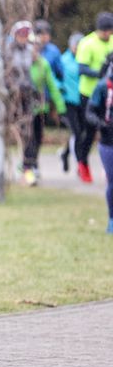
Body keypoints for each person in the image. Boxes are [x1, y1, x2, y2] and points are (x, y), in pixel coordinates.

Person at [5, 20, 65, 186]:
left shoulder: (41, 63)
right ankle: (26, 168)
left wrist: (60, 108)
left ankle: (29, 165)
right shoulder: (11, 56)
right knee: (27, 135)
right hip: (18, 103)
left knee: (37, 136)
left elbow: (52, 84)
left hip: (36, 104)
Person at [75, 12, 113, 183]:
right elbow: (81, 69)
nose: (108, 34)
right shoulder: (87, 43)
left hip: (109, 93)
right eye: (105, 31)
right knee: (89, 131)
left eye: (110, 31)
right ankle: (83, 163)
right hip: (89, 94)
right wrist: (99, 74)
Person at [85, 54, 113, 234]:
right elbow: (90, 111)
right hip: (108, 142)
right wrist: (101, 124)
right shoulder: (103, 87)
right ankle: (112, 219)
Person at [59, 32, 85, 173]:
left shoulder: (84, 60)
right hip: (68, 101)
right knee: (77, 133)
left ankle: (65, 154)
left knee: (81, 133)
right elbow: (55, 77)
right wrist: (59, 87)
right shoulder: (63, 60)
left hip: (82, 100)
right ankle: (80, 164)